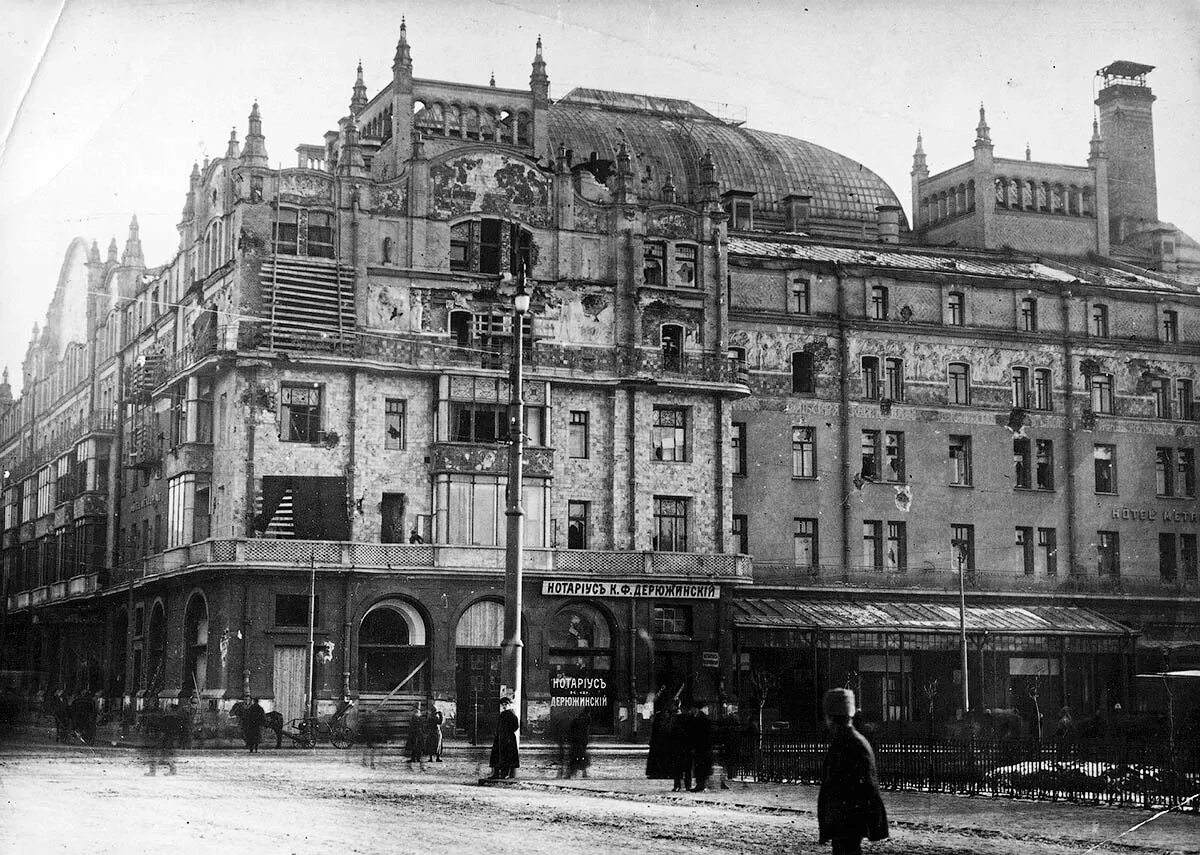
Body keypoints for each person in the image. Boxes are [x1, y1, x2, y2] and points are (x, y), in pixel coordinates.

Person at [817, 688, 889, 855]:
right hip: (846, 821)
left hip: (847, 821)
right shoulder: (852, 741)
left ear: (831, 717)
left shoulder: (847, 744)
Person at [489, 697, 520, 779]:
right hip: (499, 738)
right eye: (502, 705)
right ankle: (496, 773)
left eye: (505, 704)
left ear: (509, 705)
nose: (504, 706)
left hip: (508, 739)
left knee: (506, 756)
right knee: (497, 756)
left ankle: (504, 774)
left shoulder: (512, 715)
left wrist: (508, 733)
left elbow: (515, 726)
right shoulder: (502, 715)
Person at [566, 713, 590, 779]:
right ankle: (583, 773)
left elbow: (571, 732)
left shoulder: (575, 722)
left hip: (576, 743)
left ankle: (572, 774)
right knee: (581, 758)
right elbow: (586, 734)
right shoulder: (585, 724)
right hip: (580, 743)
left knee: (575, 758)